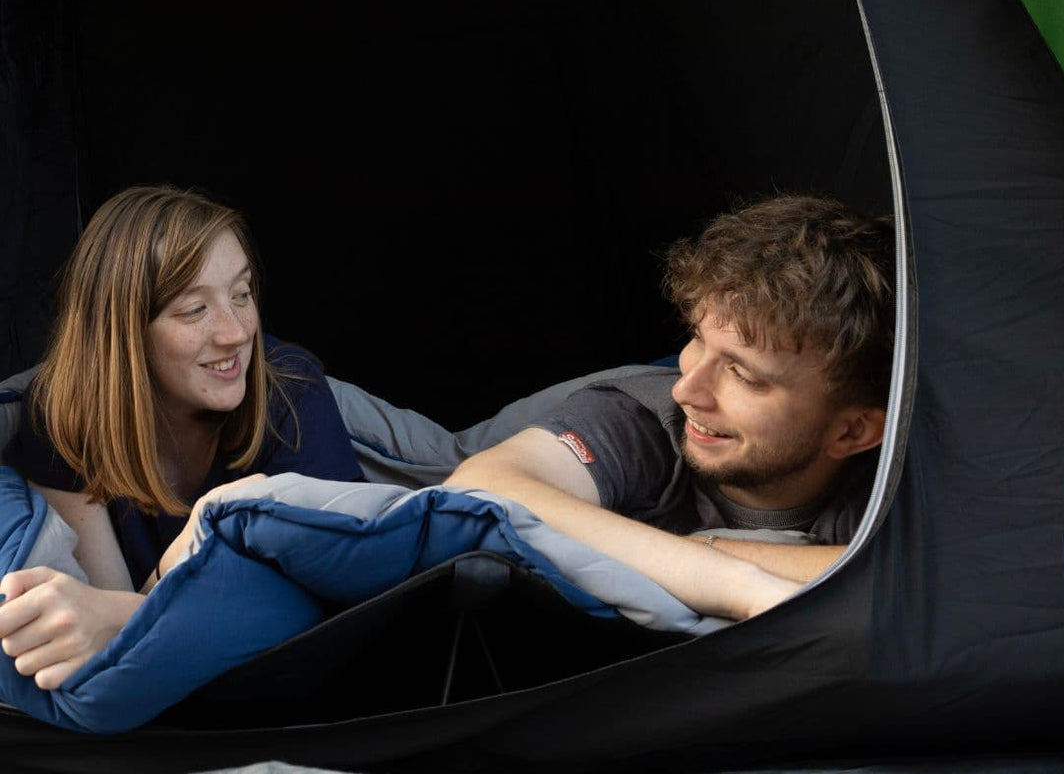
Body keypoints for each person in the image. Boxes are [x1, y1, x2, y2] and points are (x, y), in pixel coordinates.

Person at [444, 192, 895, 621]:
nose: (688, 390)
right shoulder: (637, 420)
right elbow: (482, 488)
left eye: (743, 375)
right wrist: (736, 585)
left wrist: (718, 548)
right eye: (698, 339)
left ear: (852, 433)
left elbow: (937, 575)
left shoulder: (894, 481)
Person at [0, 184, 363, 688]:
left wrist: (181, 554)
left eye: (242, 293)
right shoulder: (61, 415)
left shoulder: (289, 387)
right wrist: (157, 590)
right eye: (195, 310)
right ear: (123, 332)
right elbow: (110, 624)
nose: (236, 331)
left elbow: (335, 603)